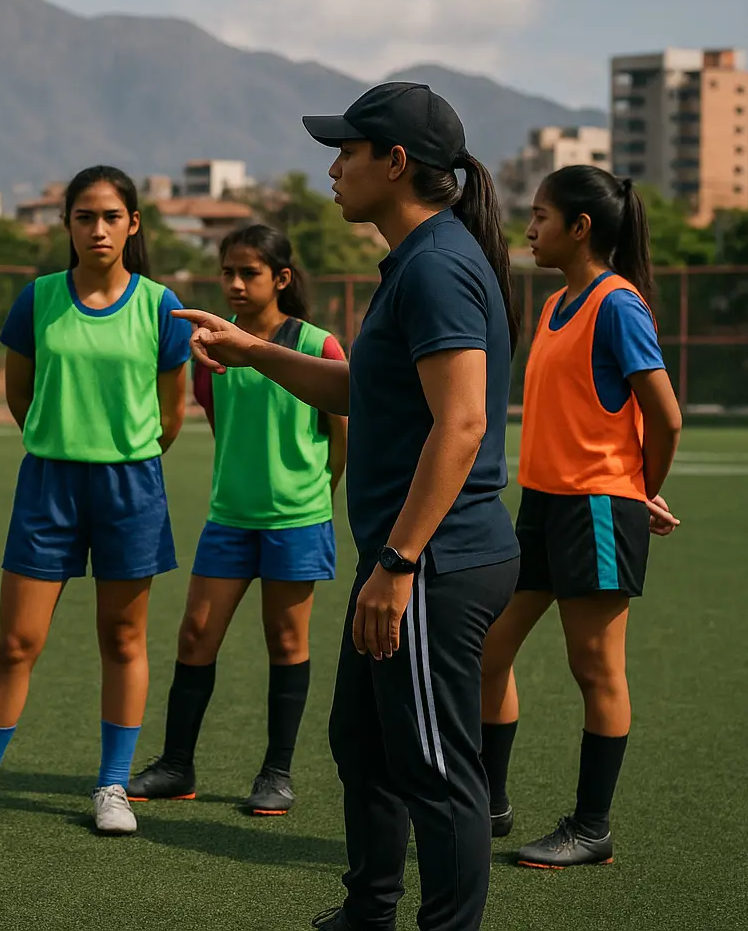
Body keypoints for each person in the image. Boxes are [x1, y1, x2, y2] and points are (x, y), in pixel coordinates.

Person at [176, 82, 521, 931]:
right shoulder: (419, 258)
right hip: (408, 557)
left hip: (434, 560)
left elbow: (464, 421)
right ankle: (368, 912)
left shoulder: (437, 265)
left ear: (395, 163)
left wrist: (399, 564)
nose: (332, 169)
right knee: (364, 749)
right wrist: (256, 352)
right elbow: (370, 389)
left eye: (347, 151)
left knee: (438, 774)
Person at [0, 165, 193, 837]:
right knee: (16, 642)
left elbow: (172, 414)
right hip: (48, 485)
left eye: (111, 217)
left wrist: (124, 451)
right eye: (85, 217)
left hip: (131, 487)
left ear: (133, 224)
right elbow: (19, 394)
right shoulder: (37, 300)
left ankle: (113, 788)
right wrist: (60, 438)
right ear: (65, 224)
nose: (98, 229)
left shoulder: (161, 305)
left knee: (123, 639)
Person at [479, 165, 682, 869]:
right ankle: (489, 805)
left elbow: (665, 414)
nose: (529, 228)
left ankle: (591, 828)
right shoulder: (557, 301)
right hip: (543, 503)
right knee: (489, 649)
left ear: (581, 227)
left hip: (596, 507)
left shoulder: (617, 304)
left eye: (539, 216)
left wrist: (636, 486)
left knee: (595, 671)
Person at [128, 225, 347, 816]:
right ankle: (176, 764)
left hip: (298, 521)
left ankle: (276, 773)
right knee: (196, 635)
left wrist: (313, 498)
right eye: (227, 272)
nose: (234, 284)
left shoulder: (318, 346)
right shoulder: (209, 351)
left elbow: (339, 439)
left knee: (285, 641)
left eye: (248, 273)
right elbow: (226, 431)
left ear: (281, 279)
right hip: (229, 518)